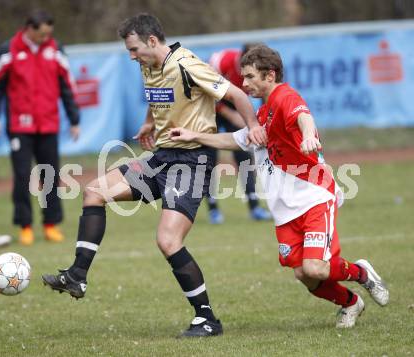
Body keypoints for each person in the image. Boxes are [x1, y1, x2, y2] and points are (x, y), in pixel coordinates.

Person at [42, 13, 266, 338]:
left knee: (168, 240)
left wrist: (254, 128)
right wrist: (150, 121)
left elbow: (237, 95)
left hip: (191, 162)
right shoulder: (148, 65)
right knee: (94, 191)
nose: (131, 56)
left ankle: (207, 319)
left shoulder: (187, 64)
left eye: (134, 49)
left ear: (151, 41)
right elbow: (158, 94)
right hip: (162, 157)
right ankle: (77, 274)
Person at [170, 45, 389, 328]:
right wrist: (192, 135)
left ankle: (361, 273)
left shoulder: (284, 96)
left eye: (249, 77)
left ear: (269, 75)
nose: (244, 83)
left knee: (315, 267)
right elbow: (235, 140)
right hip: (286, 209)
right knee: (304, 274)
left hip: (314, 196)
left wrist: (309, 135)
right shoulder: (262, 115)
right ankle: (350, 303)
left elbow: (303, 116)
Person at [0, 9, 80, 246]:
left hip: (48, 123)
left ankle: (51, 224)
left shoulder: (55, 49)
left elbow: (67, 85)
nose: (45, 38)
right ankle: (25, 225)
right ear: (29, 29)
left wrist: (74, 118)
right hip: (20, 125)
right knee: (22, 176)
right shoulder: (9, 50)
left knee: (50, 175)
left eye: (49, 34)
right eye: (42, 34)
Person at [206, 44, 272, 224]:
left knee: (244, 156)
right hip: (210, 108)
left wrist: (252, 121)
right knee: (209, 158)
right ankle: (213, 209)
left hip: (235, 106)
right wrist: (231, 115)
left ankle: (254, 207)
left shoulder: (257, 71)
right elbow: (206, 93)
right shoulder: (221, 62)